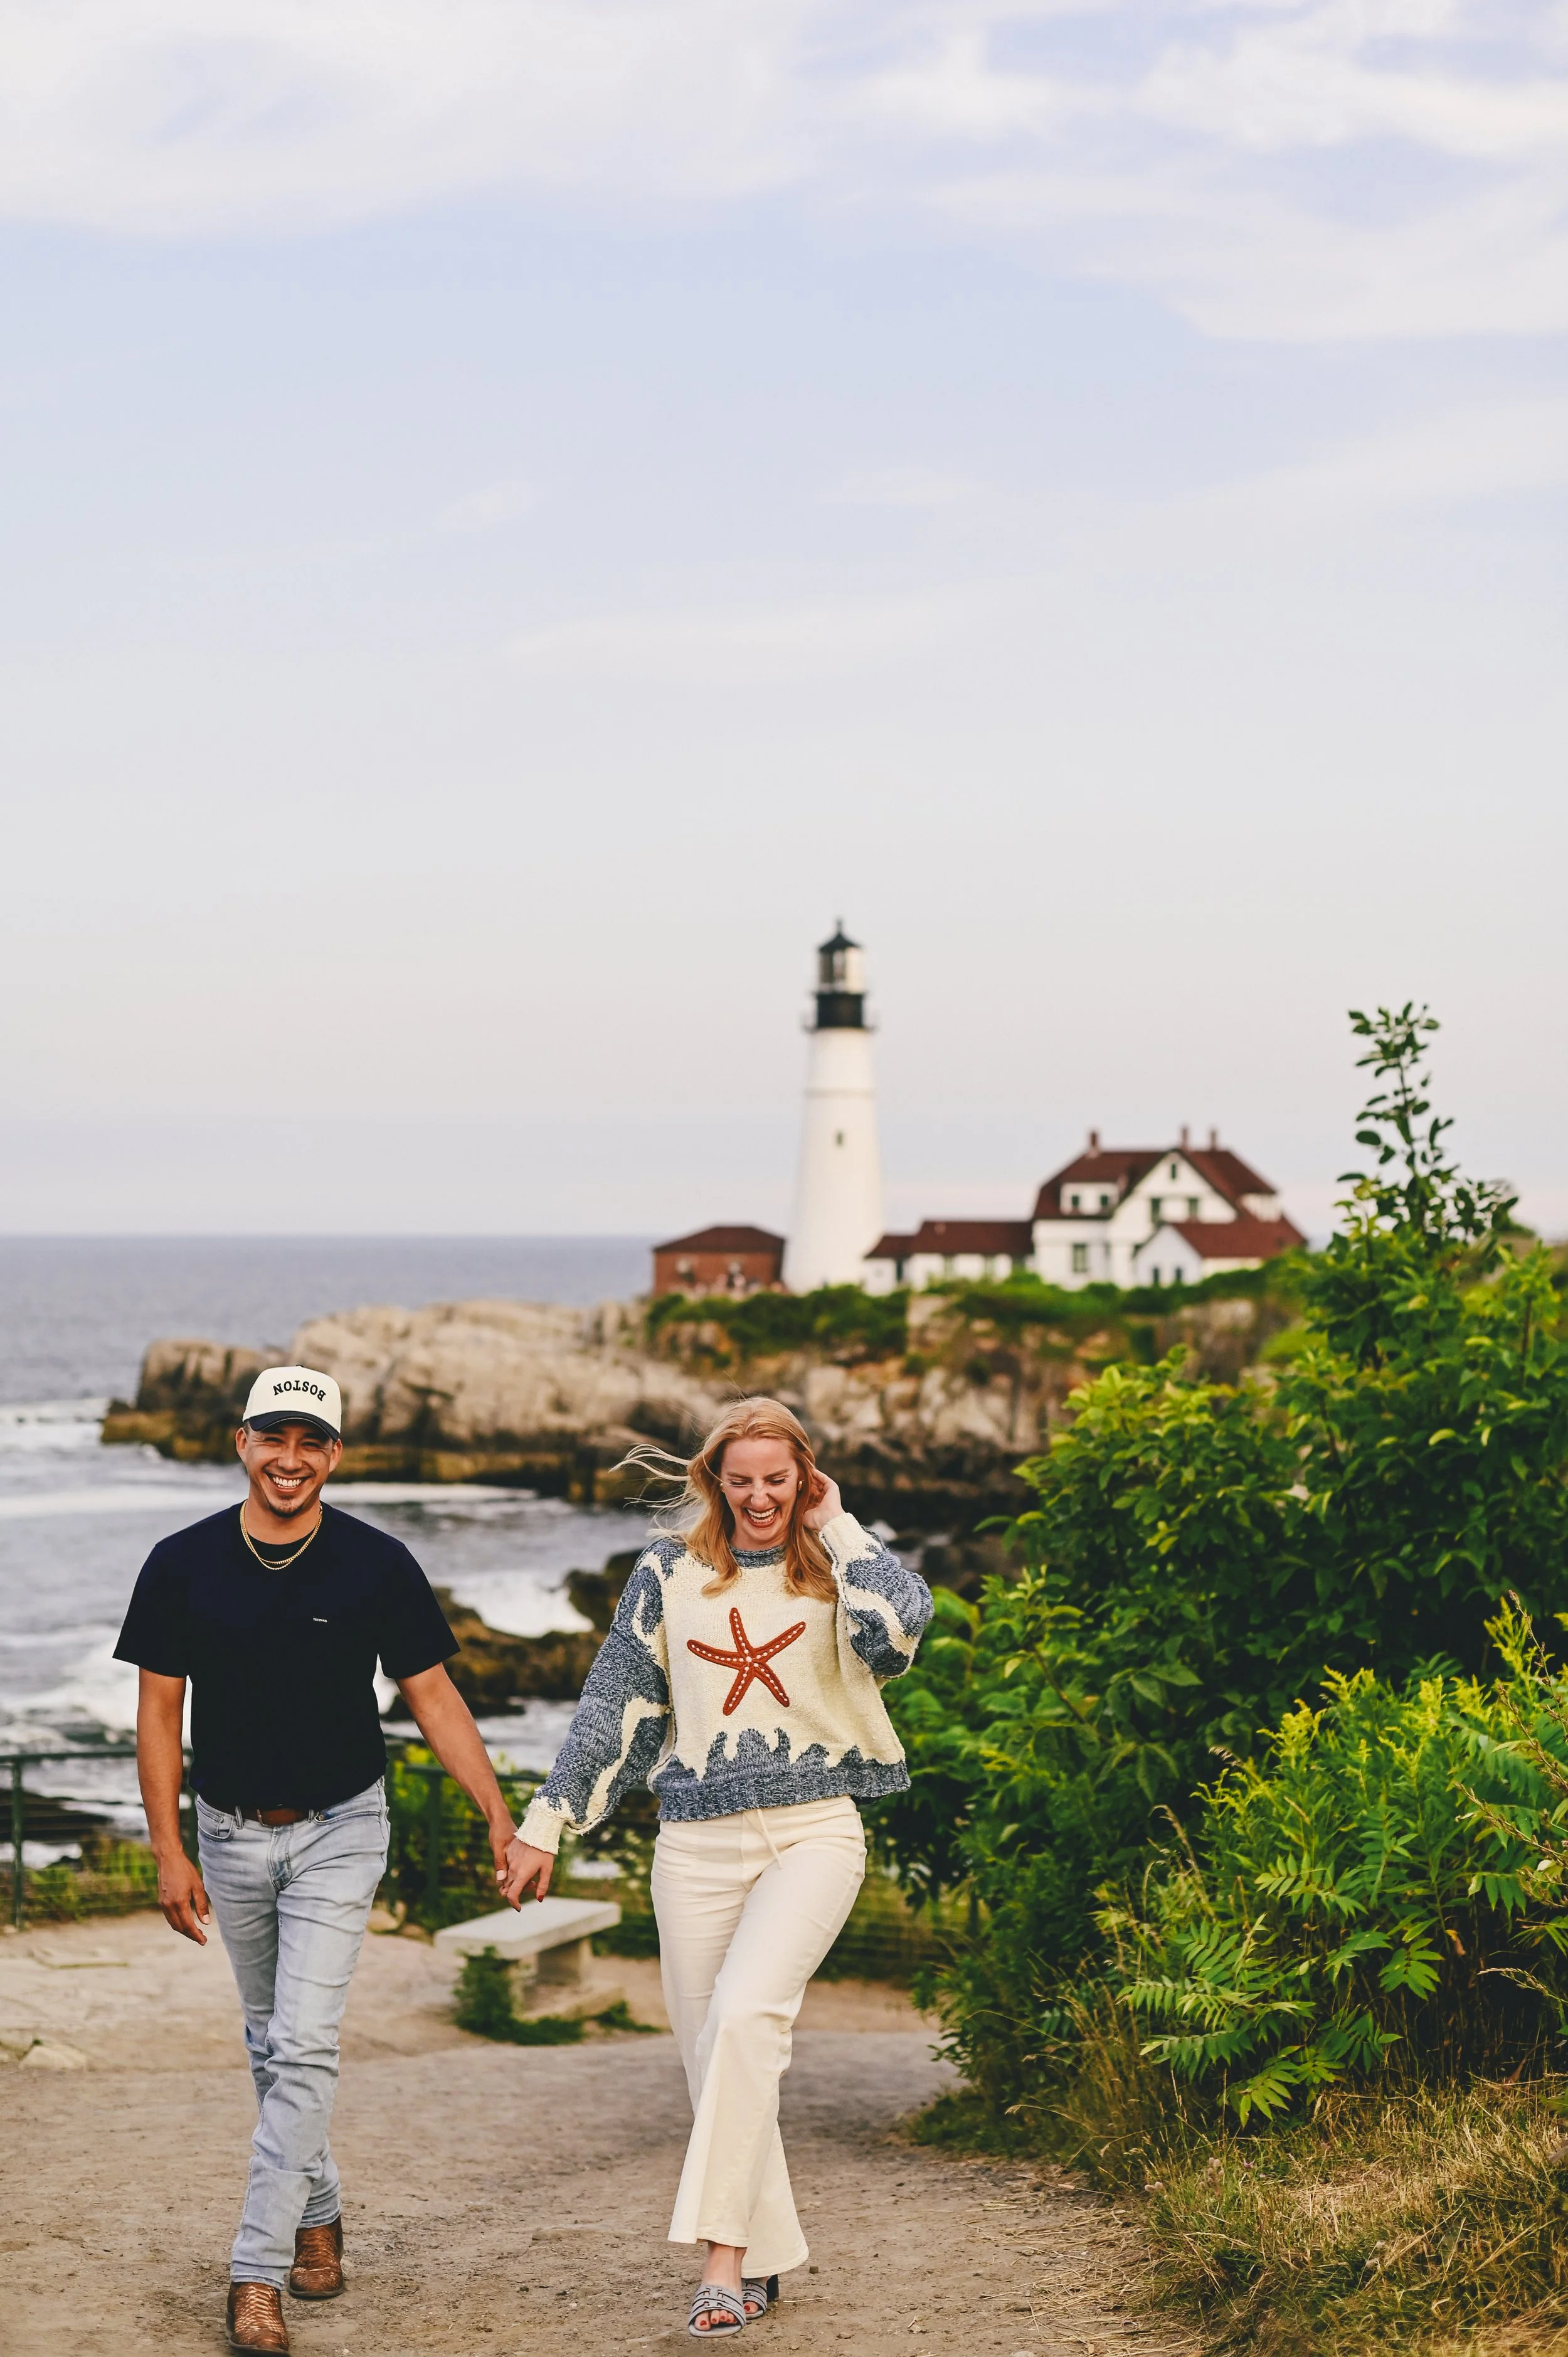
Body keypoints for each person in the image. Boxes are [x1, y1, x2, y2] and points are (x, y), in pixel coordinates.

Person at [114, 1364, 523, 2357]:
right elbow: (160, 1713)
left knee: (300, 2044)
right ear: (242, 1442)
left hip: (345, 1826)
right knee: (271, 2042)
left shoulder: (377, 1564)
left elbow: (434, 1697)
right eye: (272, 1436)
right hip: (228, 1830)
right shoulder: (181, 1561)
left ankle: (255, 2276)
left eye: (310, 1441)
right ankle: (319, 2207)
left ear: (335, 1454)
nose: (289, 1458)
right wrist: (168, 1850)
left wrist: (499, 1814)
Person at [502, 1396, 933, 2337]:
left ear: (804, 1475)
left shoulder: (837, 1568)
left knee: (745, 2016)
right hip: (693, 1841)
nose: (759, 1497)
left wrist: (836, 1520)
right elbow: (612, 1699)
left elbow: (899, 1636)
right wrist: (547, 1821)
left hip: (815, 1829)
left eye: (778, 1479)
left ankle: (722, 2264)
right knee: (715, 2058)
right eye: (740, 1480)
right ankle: (770, 2252)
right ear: (713, 1478)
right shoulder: (669, 1573)